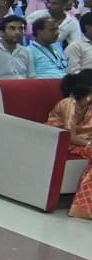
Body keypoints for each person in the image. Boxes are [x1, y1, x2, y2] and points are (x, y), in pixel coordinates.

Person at [47, 71, 92, 219]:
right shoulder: (69, 103)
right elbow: (70, 136)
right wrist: (90, 143)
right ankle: (83, 207)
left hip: (80, 142)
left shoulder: (87, 104)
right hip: (59, 142)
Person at [0, 16, 32, 80]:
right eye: (12, 28)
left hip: (24, 87)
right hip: (0, 88)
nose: (18, 32)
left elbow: (31, 77)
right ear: (2, 32)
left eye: (21, 28)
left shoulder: (26, 51)